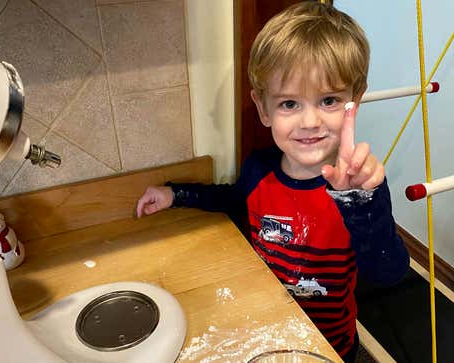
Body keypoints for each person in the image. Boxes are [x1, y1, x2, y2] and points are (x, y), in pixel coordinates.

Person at [136, 2, 409, 361]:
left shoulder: (357, 191)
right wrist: (177, 194)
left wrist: (362, 200)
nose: (310, 121)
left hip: (330, 349)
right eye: (289, 104)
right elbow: (232, 200)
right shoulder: (258, 170)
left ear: (353, 103)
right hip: (266, 331)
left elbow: (387, 271)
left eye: (328, 100)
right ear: (263, 108)